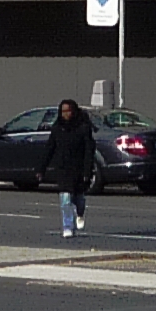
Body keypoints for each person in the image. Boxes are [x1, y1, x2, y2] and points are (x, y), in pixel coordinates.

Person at [41, 97, 100, 238]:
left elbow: (88, 151)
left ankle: (80, 213)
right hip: (63, 169)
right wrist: (40, 169)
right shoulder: (57, 128)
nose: (65, 114)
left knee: (79, 198)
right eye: (63, 111)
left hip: (78, 169)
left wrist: (87, 170)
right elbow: (49, 149)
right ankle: (68, 226)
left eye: (68, 111)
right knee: (65, 199)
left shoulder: (83, 128)